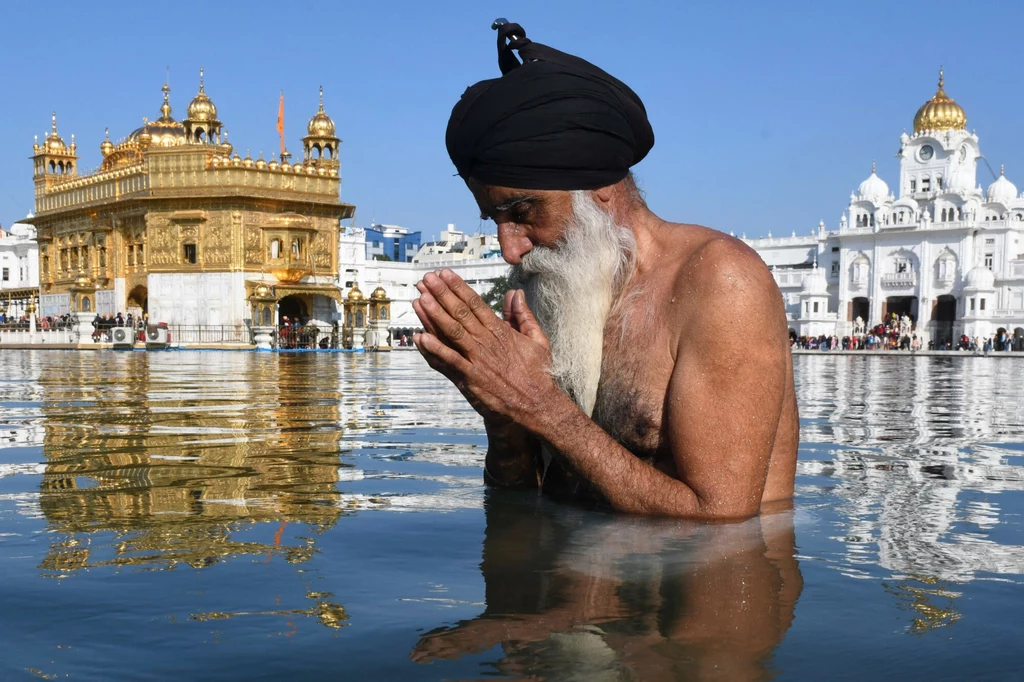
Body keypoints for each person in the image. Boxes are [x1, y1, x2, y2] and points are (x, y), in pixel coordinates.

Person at [413, 21, 798, 519]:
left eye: (524, 212)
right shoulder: (553, 293)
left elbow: (720, 519)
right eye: (496, 220)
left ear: (600, 187)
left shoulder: (719, 282)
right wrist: (503, 419)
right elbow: (520, 502)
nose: (510, 249)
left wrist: (538, 403)